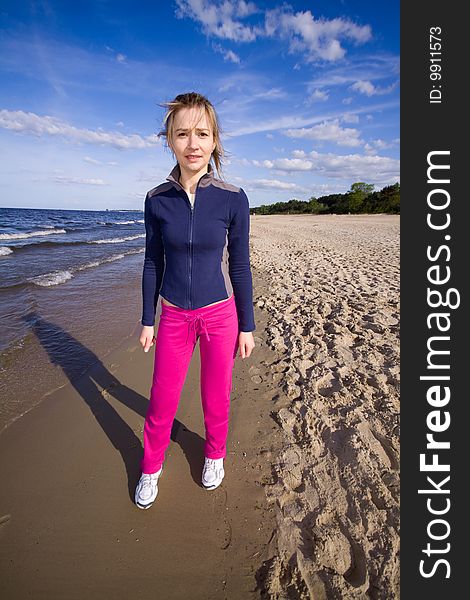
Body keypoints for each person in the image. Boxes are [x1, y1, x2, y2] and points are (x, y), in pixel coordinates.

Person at [134, 92, 256, 509]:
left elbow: (239, 265)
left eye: (202, 134)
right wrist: (147, 318)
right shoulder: (156, 199)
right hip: (173, 315)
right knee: (162, 396)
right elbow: (153, 261)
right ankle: (151, 467)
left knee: (215, 394)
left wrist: (247, 325)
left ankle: (214, 454)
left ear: (215, 140)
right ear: (169, 139)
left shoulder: (232, 197)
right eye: (182, 133)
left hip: (220, 315)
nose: (193, 143)